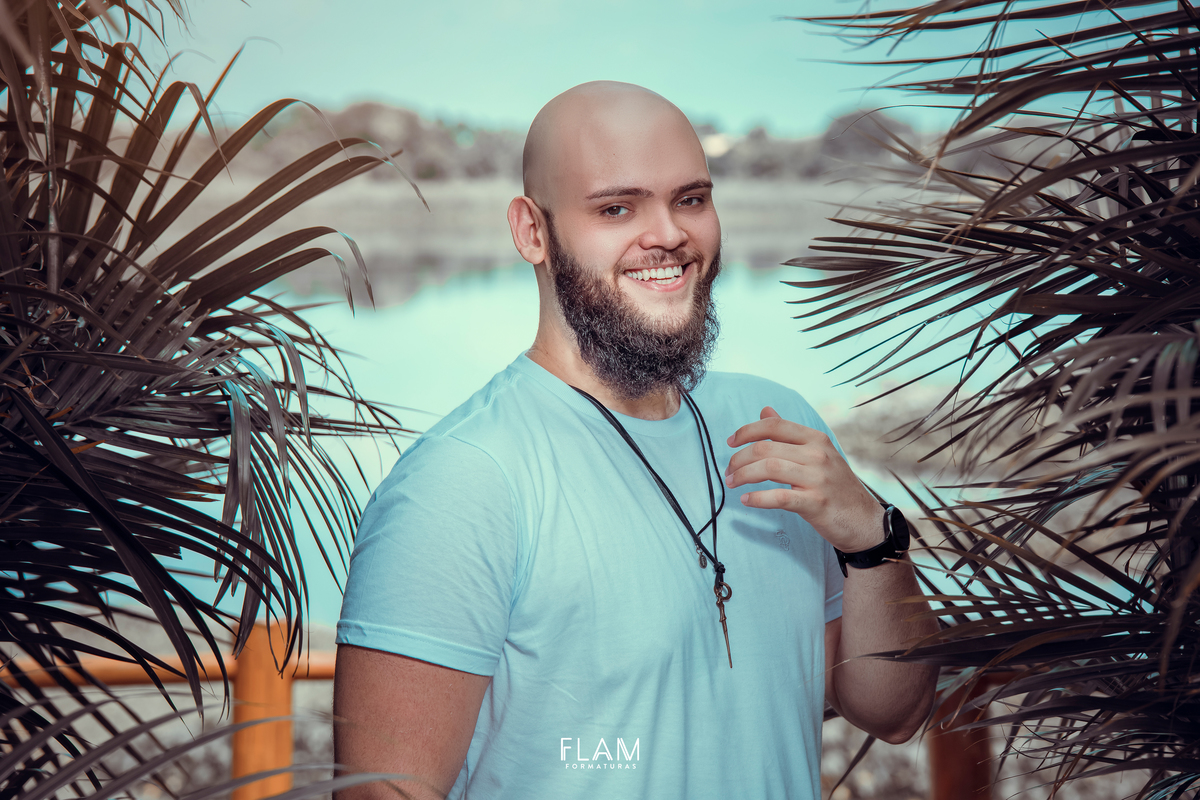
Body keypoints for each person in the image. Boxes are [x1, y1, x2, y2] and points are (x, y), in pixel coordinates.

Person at [332, 81, 938, 800]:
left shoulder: (777, 423)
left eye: (691, 199)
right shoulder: (463, 483)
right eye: (616, 208)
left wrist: (872, 538)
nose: (669, 235)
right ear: (531, 231)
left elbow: (895, 712)